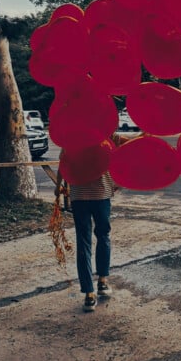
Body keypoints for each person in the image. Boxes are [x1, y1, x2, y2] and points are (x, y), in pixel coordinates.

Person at [55, 132, 128, 312]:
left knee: (84, 242)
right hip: (101, 195)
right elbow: (129, 150)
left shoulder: (71, 139)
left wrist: (58, 187)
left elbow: (63, 166)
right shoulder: (109, 135)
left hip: (79, 196)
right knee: (103, 236)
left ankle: (89, 294)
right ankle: (102, 281)